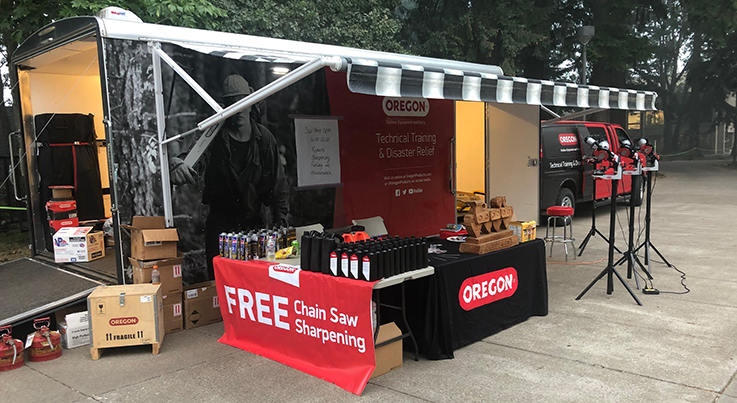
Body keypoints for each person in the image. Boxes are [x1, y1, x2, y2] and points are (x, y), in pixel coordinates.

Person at [170, 74, 290, 279]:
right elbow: (192, 161)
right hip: (220, 228)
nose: (238, 108)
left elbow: (279, 186)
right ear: (225, 108)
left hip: (254, 228)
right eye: (232, 103)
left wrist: (281, 224)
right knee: (220, 284)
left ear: (251, 104)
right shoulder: (213, 135)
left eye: (243, 102)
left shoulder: (264, 140)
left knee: (255, 282)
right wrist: (176, 163)